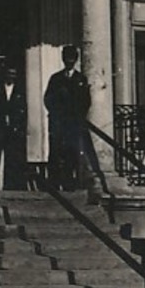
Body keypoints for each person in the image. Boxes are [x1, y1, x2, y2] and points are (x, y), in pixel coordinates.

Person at [43, 44, 92, 191]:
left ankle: (69, 185)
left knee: (72, 153)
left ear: (75, 60)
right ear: (63, 59)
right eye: (66, 58)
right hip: (58, 123)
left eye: (72, 58)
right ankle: (54, 184)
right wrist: (57, 114)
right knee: (56, 153)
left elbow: (86, 102)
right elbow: (48, 99)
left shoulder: (81, 79)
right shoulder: (56, 78)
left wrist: (77, 116)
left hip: (73, 124)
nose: (69, 61)